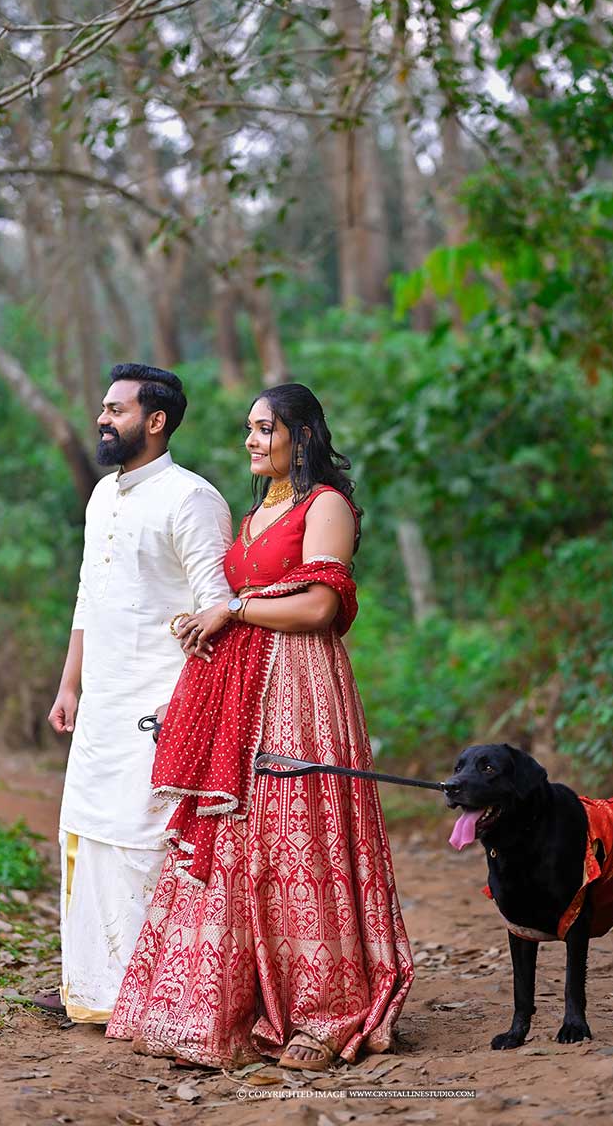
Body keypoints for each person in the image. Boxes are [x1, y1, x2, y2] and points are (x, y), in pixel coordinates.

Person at [107, 383, 414, 1069]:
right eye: (248, 429)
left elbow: (317, 611)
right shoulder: (253, 514)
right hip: (239, 693)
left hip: (300, 690)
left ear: (301, 436)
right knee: (240, 842)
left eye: (264, 429)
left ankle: (322, 1012)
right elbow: (240, 598)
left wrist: (234, 612)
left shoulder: (324, 505)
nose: (251, 441)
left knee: (296, 836)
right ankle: (233, 1007)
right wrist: (206, 624)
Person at [45, 364, 233, 1024]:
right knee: (90, 839)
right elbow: (87, 599)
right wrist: (70, 684)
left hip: (159, 709)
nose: (103, 419)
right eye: (103, 407)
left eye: (116, 409)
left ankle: (152, 991)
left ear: (155, 421)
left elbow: (220, 609)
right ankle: (93, 990)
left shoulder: (193, 499)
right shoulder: (102, 497)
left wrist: (183, 704)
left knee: (142, 846)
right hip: (100, 703)